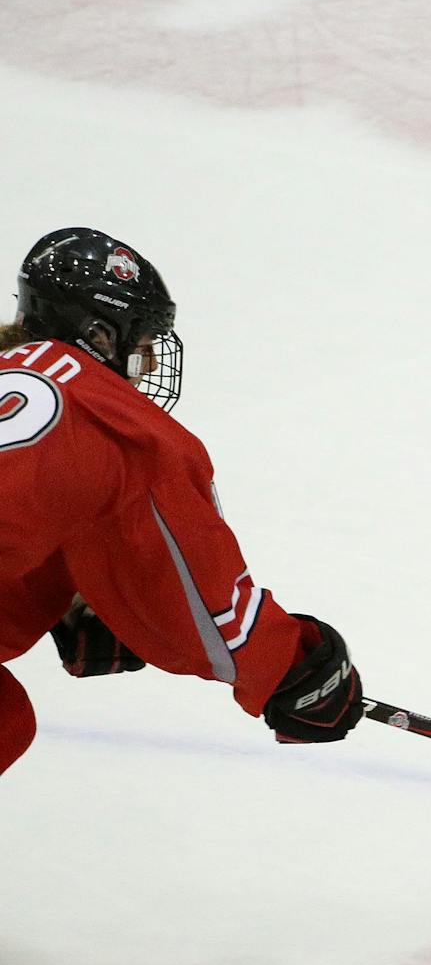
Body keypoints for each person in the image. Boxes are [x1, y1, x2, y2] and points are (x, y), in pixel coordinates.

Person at [0, 228, 363, 778]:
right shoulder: (123, 424)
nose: (145, 367)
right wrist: (292, 670)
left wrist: (79, 594)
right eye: (141, 346)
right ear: (100, 333)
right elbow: (201, 603)